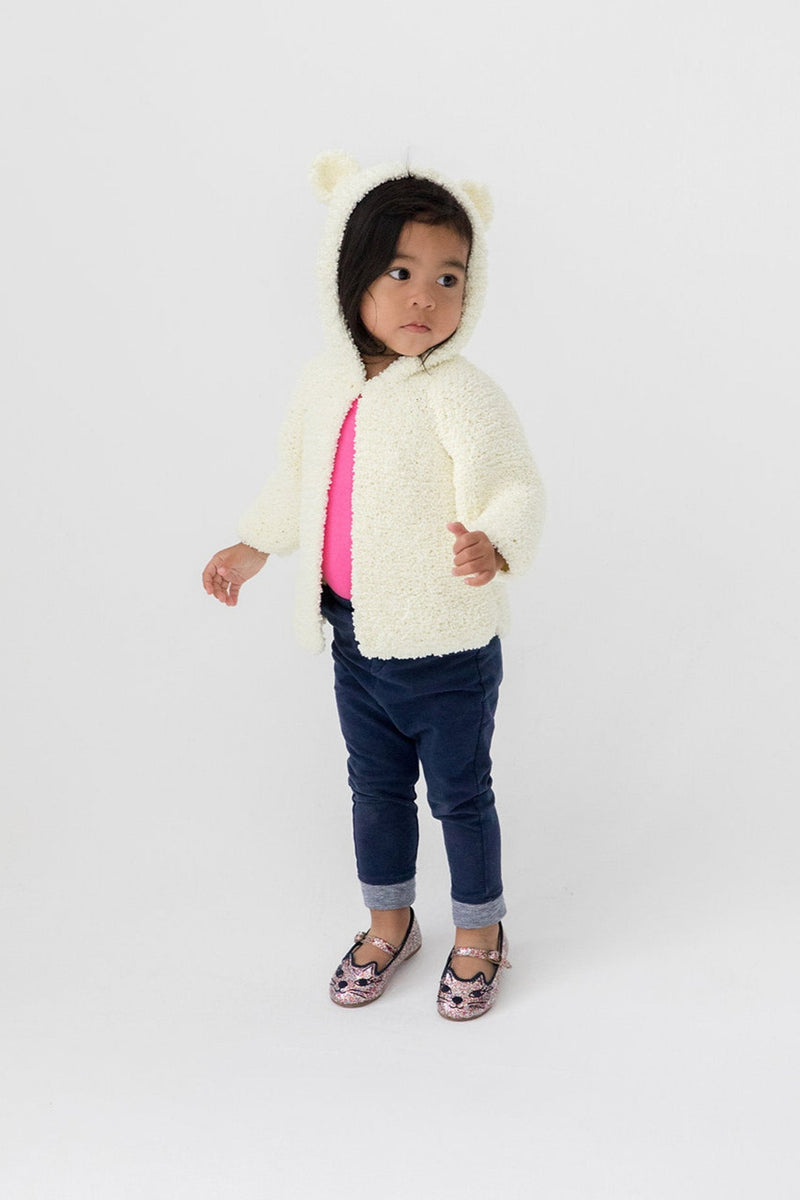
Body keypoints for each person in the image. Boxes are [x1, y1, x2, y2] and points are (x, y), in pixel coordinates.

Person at [202, 151, 545, 1020]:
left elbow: (513, 483)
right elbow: (300, 479)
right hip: (355, 638)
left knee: (461, 795)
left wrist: (495, 543)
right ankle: (390, 921)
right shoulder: (326, 386)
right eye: (399, 272)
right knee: (375, 789)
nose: (424, 297)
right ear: (347, 274)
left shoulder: (460, 392)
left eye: (447, 277)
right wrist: (254, 544)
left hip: (448, 646)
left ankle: (481, 933)